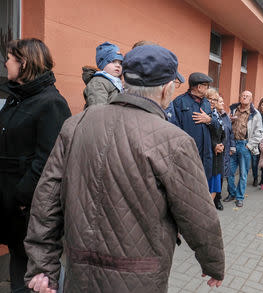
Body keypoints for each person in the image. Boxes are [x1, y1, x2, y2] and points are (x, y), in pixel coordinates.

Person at [24, 45, 224, 293]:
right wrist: (212, 263)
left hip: (79, 276)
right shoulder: (175, 141)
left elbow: (46, 200)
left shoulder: (76, 124)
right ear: (165, 88)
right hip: (139, 280)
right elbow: (198, 215)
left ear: (125, 79)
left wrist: (42, 266)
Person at [0, 38, 71, 293]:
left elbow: (50, 160)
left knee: (32, 274)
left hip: (29, 209)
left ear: (24, 63)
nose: (5, 62)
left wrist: (21, 196)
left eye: (9, 57)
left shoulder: (51, 102)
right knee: (18, 265)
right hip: (11, 205)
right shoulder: (16, 98)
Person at [167, 72, 218, 181]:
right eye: (206, 86)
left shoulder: (206, 103)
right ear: (199, 87)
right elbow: (174, 132)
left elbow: (217, 126)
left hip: (206, 158)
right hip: (188, 157)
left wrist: (209, 120)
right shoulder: (179, 103)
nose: (208, 88)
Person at [224, 90, 263, 207]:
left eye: (247, 96)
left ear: (251, 100)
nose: (244, 97)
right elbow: (226, 125)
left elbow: (259, 133)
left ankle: (240, 197)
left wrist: (249, 146)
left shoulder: (255, 114)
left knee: (243, 174)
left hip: (244, 145)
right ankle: (232, 194)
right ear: (240, 97)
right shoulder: (233, 110)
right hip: (232, 144)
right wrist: (229, 121)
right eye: (243, 95)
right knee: (229, 172)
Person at [83, 42, 124, 107]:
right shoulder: (98, 82)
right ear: (102, 64)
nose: (118, 66)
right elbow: (98, 108)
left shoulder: (117, 83)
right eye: (113, 61)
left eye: (120, 63)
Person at [213, 94, 235, 210]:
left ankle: (218, 198)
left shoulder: (226, 116)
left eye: (222, 101)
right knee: (215, 176)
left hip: (225, 152)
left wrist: (232, 147)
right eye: (220, 101)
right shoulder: (212, 116)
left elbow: (230, 133)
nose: (222, 103)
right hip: (215, 151)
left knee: (221, 176)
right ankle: (213, 198)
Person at [205, 89, 225, 206]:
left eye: (215, 99)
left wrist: (221, 144)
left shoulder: (217, 115)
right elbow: (204, 135)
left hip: (218, 156)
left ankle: (209, 209)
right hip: (208, 155)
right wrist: (214, 146)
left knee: (214, 186)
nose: (212, 101)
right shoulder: (204, 114)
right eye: (210, 99)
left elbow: (223, 133)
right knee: (207, 185)